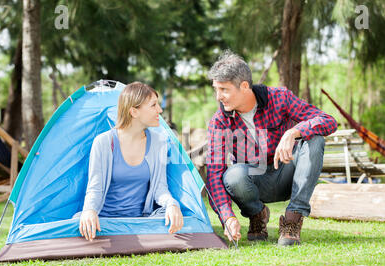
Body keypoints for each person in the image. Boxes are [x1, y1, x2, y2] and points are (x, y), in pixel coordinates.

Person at [206, 50, 337, 246]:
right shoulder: (219, 122)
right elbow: (214, 175)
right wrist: (227, 217)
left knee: (315, 138)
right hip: (254, 183)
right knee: (231, 175)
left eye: (224, 89)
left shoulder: (279, 98)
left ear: (244, 86)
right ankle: (257, 214)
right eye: (216, 89)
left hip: (289, 174)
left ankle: (292, 220)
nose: (219, 96)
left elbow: (328, 121)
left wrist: (294, 132)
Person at [77, 81, 183, 241]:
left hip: (140, 220)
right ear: (134, 111)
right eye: (153, 105)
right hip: (105, 220)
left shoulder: (159, 142)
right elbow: (95, 188)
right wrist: (89, 211)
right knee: (78, 221)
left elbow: (160, 188)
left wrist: (172, 204)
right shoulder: (104, 142)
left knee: (170, 216)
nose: (159, 110)